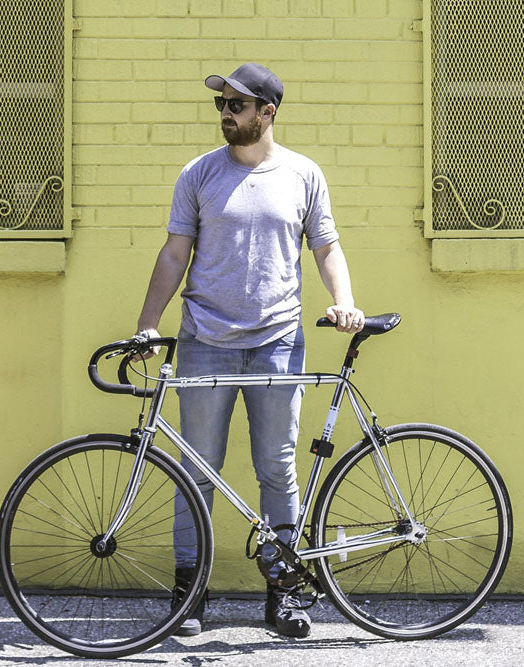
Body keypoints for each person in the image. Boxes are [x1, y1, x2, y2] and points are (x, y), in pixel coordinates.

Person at [134, 63, 365, 638]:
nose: (225, 114)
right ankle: (190, 595)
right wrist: (145, 325)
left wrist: (346, 301)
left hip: (277, 343)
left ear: (267, 112)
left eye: (236, 105)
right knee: (196, 471)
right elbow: (173, 253)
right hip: (205, 341)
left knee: (277, 468)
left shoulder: (303, 174)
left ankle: (285, 594)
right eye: (221, 105)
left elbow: (326, 245)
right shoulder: (199, 174)